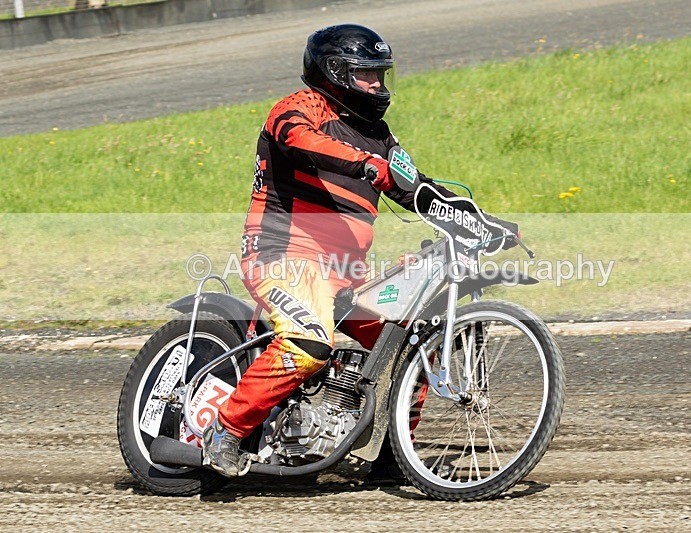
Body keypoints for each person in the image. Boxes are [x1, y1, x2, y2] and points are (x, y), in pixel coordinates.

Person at [203, 23, 517, 481]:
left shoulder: (380, 134)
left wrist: (478, 222)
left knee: (420, 343)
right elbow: (301, 141)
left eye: (381, 75)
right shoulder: (296, 108)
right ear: (336, 73)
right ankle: (225, 431)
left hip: (345, 273)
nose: (379, 86)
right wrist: (369, 165)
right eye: (368, 75)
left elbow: (416, 188)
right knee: (310, 343)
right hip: (283, 254)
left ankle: (395, 455)